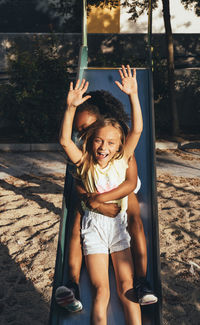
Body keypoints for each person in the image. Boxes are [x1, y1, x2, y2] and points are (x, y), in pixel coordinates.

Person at [55, 70, 157, 313]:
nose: (86, 134)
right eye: (81, 131)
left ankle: (141, 281)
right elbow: (81, 183)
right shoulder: (87, 151)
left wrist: (102, 199)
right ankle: (72, 283)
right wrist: (95, 203)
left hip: (120, 188)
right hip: (93, 193)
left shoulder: (117, 148)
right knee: (76, 223)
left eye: (89, 126)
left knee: (134, 217)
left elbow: (129, 184)